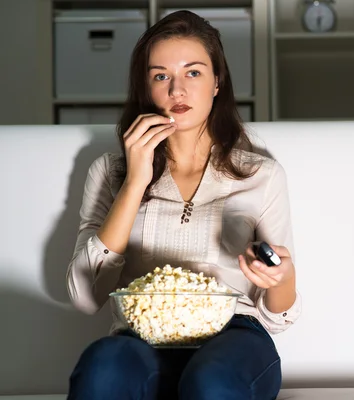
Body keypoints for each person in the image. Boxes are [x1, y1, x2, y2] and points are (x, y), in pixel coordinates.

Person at [65, 10, 301, 400]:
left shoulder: (261, 174)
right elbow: (86, 295)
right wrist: (136, 182)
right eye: (161, 76)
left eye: (193, 73)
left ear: (217, 83)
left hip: (235, 333)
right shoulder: (110, 172)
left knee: (212, 383)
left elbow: (278, 316)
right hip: (140, 335)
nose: (177, 90)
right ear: (146, 89)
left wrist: (282, 277)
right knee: (103, 369)